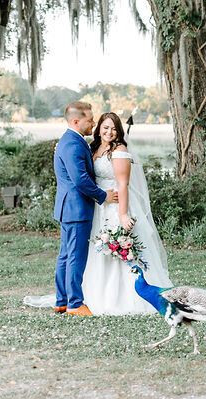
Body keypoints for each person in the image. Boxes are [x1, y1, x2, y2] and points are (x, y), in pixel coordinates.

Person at [81, 112, 173, 315]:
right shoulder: (95, 148)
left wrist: (123, 214)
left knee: (120, 248)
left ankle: (125, 297)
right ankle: (97, 293)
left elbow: (123, 184)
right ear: (99, 129)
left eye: (113, 128)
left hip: (116, 204)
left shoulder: (120, 150)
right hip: (100, 205)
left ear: (119, 131)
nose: (109, 132)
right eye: (105, 127)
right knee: (99, 250)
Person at [53, 102, 118, 316]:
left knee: (66, 255)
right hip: (76, 208)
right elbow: (80, 180)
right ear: (75, 121)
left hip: (69, 207)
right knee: (75, 257)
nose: (93, 123)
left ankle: (62, 301)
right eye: (90, 120)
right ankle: (74, 304)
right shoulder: (72, 143)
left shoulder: (72, 140)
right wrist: (103, 196)